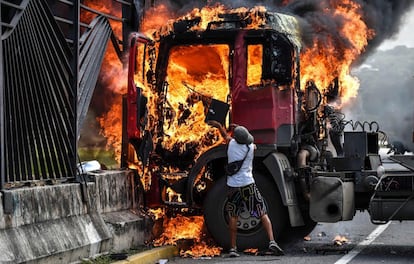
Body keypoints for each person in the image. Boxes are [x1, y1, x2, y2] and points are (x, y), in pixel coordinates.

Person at [208, 120, 284, 257]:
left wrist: (220, 126)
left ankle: (233, 248)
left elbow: (226, 136)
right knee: (262, 213)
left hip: (233, 187)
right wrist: (240, 130)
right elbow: (248, 141)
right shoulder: (250, 148)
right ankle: (272, 242)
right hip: (248, 185)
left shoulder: (231, 145)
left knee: (233, 216)